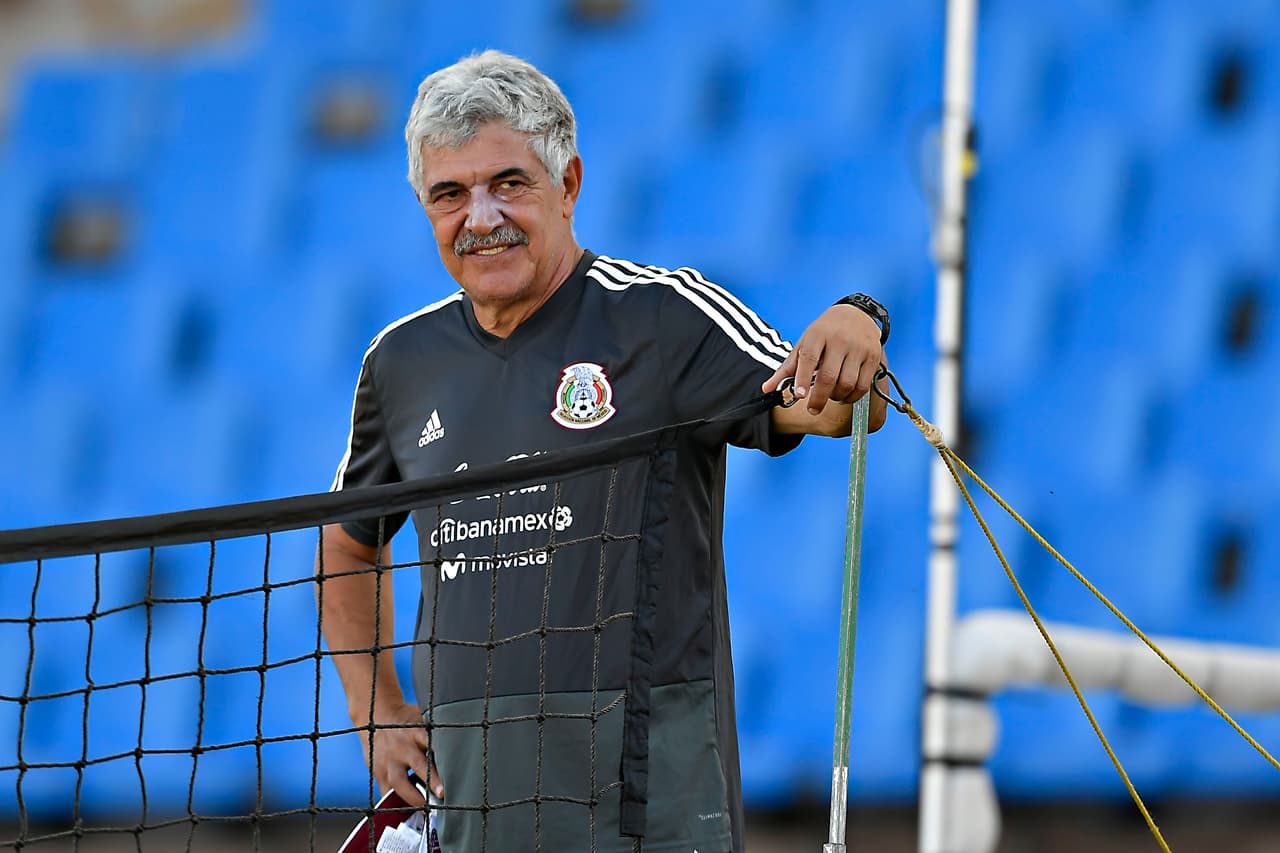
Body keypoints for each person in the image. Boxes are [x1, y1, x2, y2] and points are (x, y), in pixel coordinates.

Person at [320, 50, 889, 853]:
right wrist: (373, 707)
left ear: (569, 183)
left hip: (650, 808)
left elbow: (827, 410)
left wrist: (854, 324)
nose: (481, 216)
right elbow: (346, 542)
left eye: (509, 183)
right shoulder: (399, 361)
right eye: (450, 194)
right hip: (475, 806)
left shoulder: (662, 318)